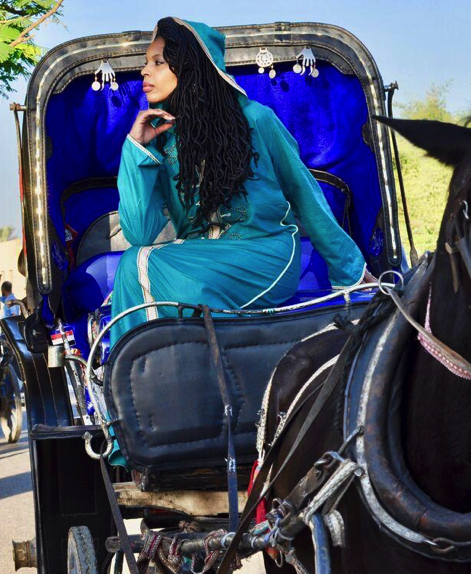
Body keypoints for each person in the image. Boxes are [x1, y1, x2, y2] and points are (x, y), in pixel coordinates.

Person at [110, 18, 373, 344]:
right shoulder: (161, 143)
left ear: (189, 64)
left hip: (267, 257)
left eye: (158, 62)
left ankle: (142, 370)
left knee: (150, 268)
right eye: (145, 63)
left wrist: (350, 271)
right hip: (201, 261)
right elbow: (138, 233)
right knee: (133, 265)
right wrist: (136, 151)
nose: (144, 72)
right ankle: (144, 377)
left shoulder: (257, 118)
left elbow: (304, 193)